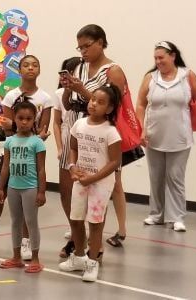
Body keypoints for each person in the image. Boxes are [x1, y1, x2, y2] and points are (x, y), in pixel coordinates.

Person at [0, 55, 52, 259]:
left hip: (31, 155)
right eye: (26, 65)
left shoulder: (45, 98)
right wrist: (16, 129)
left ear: (39, 70)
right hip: (12, 152)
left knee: (28, 203)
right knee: (1, 194)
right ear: (19, 69)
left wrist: (26, 133)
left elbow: (43, 131)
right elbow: (6, 127)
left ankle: (25, 242)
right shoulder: (10, 96)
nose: (30, 68)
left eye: (35, 64)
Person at [59, 24, 128, 249]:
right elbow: (68, 104)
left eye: (87, 46)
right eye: (79, 48)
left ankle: (93, 247)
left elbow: (112, 107)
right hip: (77, 127)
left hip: (100, 135)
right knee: (69, 187)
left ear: (100, 42)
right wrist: (69, 88)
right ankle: (77, 239)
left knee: (99, 190)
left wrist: (84, 92)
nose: (83, 52)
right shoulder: (79, 67)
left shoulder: (113, 71)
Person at [136, 41, 196, 232]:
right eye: (155, 58)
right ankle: (156, 214)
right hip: (154, 135)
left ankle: (177, 217)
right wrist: (141, 130)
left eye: (161, 57)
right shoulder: (150, 78)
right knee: (156, 177)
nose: (158, 61)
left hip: (180, 136)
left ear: (173, 56)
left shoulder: (188, 75)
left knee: (175, 176)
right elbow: (141, 105)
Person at [59, 84, 122, 282]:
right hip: (81, 180)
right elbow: (73, 148)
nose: (94, 104)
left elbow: (114, 162)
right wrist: (72, 166)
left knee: (95, 223)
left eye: (101, 102)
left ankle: (92, 262)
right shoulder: (79, 125)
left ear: (110, 109)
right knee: (76, 219)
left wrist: (93, 178)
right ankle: (78, 257)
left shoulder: (111, 132)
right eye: (93, 99)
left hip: (100, 184)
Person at [0, 100, 46, 273]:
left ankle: (35, 258)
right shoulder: (9, 141)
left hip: (30, 188)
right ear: (14, 119)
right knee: (15, 222)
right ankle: (16, 257)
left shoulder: (37, 142)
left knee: (31, 222)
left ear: (34, 121)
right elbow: (5, 167)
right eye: (20, 118)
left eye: (29, 118)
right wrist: (0, 188)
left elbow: (41, 169)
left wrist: (41, 191)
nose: (24, 122)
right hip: (13, 187)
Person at [53, 57, 82, 258]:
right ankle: (75, 233)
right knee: (66, 193)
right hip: (67, 141)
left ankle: (86, 241)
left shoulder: (91, 92)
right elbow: (57, 122)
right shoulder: (60, 94)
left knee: (86, 194)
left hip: (86, 143)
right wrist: (60, 147)